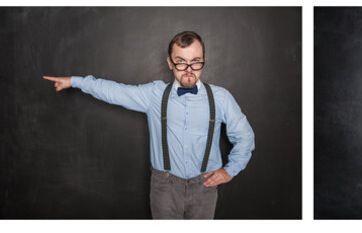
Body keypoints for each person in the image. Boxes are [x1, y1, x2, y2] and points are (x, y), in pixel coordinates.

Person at [42, 31, 255, 219]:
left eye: (195, 61)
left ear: (204, 60)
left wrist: (230, 170)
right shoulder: (154, 95)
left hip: (205, 187)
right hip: (164, 187)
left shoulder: (221, 98)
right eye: (181, 61)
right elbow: (115, 91)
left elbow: (245, 137)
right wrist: (75, 81)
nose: (189, 69)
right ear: (170, 63)